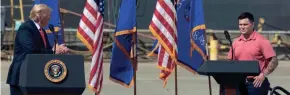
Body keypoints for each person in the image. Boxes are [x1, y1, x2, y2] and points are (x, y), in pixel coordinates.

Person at [6, 4, 69, 95]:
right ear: (39, 15)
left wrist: (58, 49)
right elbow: (30, 50)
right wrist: (53, 50)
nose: (49, 17)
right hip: (21, 75)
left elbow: (46, 50)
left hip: (35, 75)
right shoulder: (26, 28)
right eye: (48, 14)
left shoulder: (42, 30)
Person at [226, 12, 279, 95]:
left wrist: (263, 75)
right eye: (240, 25)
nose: (242, 27)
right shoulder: (235, 42)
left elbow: (274, 61)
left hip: (256, 83)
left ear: (252, 24)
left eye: (245, 24)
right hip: (239, 83)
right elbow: (230, 62)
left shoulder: (262, 41)